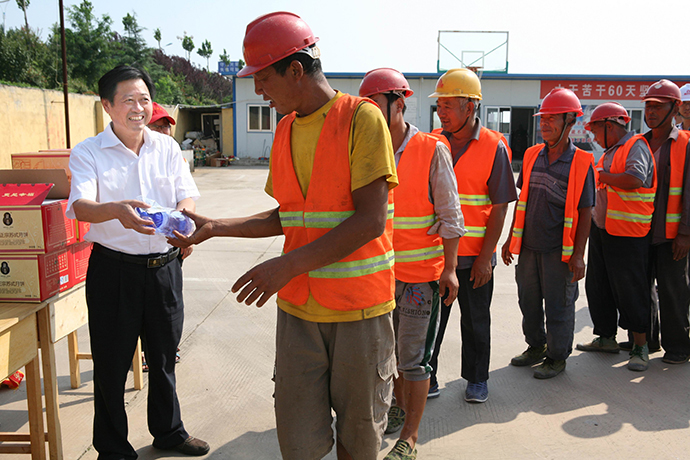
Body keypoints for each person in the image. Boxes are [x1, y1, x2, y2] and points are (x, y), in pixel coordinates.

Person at [169, 12, 398, 460]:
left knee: (359, 441)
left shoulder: (362, 120)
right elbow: (288, 216)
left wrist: (286, 264)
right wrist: (215, 227)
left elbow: (371, 220)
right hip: (298, 313)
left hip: (360, 313)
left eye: (263, 78)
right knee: (299, 442)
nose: (258, 90)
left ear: (296, 69)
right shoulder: (286, 129)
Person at [66, 65, 208, 458]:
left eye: (144, 99)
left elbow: (187, 195)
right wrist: (115, 210)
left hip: (165, 269)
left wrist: (182, 218)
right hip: (114, 271)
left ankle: (169, 432)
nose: (138, 107)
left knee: (164, 358)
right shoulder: (89, 152)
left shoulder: (166, 147)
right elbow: (80, 207)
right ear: (107, 106)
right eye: (127, 100)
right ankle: (112, 448)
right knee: (111, 365)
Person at [359, 68, 465, 460]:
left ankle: (411, 437)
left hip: (421, 278)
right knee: (387, 357)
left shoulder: (431, 149)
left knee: (414, 362)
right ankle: (398, 409)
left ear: (400, 102)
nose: (370, 115)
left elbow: (451, 215)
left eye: (376, 105)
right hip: (380, 275)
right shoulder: (367, 149)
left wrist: (450, 269)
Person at [426, 68, 517, 402]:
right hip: (436, 256)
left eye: (450, 104)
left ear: (471, 106)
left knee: (476, 322)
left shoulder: (495, 147)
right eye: (441, 104)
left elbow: (500, 206)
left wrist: (484, 258)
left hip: (476, 258)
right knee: (430, 323)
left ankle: (477, 379)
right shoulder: (432, 142)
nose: (443, 111)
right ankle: (428, 376)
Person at [501, 88, 595, 379]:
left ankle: (556, 357)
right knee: (528, 303)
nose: (544, 124)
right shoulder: (531, 155)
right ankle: (536, 346)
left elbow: (585, 212)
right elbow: (523, 199)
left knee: (559, 306)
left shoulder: (581, 162)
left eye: (552, 118)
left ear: (570, 120)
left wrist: (578, 255)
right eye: (542, 118)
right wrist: (509, 239)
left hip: (559, 251)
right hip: (528, 247)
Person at [575, 102, 656, 371]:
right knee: (599, 287)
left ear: (610, 125)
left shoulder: (636, 146)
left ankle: (640, 346)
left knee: (630, 289)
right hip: (604, 228)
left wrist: (603, 176)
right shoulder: (610, 151)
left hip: (629, 233)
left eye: (596, 131)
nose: (594, 138)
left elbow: (635, 178)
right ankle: (606, 338)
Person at [642, 79, 690, 365]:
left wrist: (685, 233)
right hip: (642, 232)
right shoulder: (641, 142)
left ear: (675, 109)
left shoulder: (685, 143)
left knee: (674, 290)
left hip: (673, 235)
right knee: (642, 288)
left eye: (658, 106)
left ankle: (679, 346)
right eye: (648, 105)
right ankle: (647, 340)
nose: (651, 111)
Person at [142, 101, 182, 373]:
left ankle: (168, 346)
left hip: (169, 248)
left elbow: (186, 197)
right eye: (157, 126)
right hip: (138, 253)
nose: (164, 131)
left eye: (166, 126)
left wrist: (184, 233)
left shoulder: (172, 154)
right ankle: (145, 352)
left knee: (167, 309)